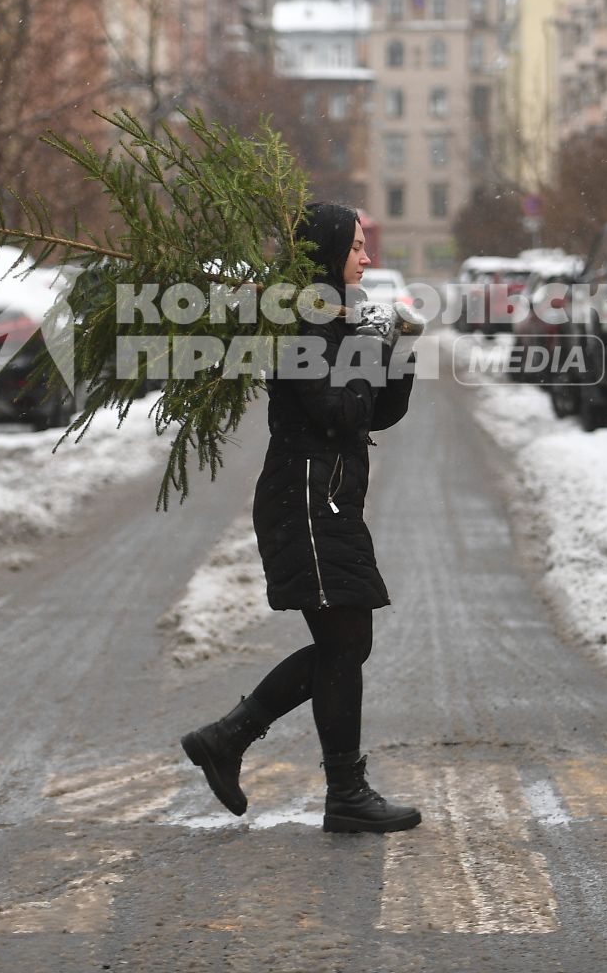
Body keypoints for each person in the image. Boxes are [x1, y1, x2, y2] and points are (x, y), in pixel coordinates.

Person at [180, 203, 420, 834]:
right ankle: (333, 786)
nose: (367, 259)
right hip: (306, 501)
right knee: (345, 642)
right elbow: (339, 412)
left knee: (346, 643)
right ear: (331, 253)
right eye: (358, 248)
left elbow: (378, 413)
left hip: (327, 499)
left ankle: (235, 742)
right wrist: (371, 349)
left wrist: (400, 348)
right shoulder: (300, 328)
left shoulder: (329, 322)